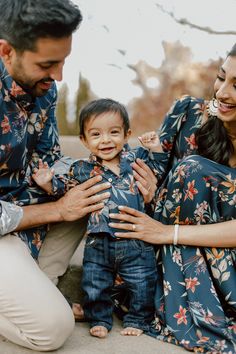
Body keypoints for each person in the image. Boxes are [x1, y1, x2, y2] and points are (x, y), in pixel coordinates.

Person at [108, 44, 236, 353]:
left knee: (195, 170)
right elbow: (147, 178)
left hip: (223, 259)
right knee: (189, 171)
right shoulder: (188, 113)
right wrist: (151, 192)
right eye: (222, 77)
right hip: (167, 255)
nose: (223, 92)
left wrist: (168, 232)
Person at [32, 98, 169, 338]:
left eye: (113, 132)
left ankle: (138, 319)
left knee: (142, 282)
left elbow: (158, 170)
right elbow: (66, 187)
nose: (105, 140)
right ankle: (99, 318)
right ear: (84, 140)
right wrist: (48, 183)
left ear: (127, 134)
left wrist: (156, 148)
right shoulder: (82, 168)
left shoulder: (135, 159)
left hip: (135, 240)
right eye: (96, 134)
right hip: (98, 242)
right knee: (95, 283)